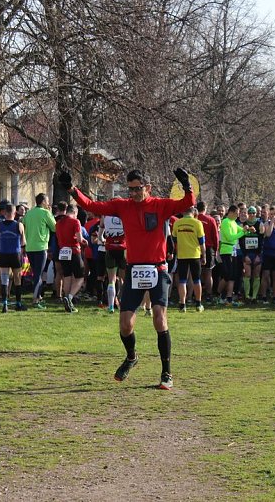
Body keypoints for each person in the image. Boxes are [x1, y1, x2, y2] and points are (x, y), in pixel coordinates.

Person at [64, 167, 195, 391]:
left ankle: (166, 373)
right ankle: (132, 357)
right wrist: (71, 189)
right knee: (125, 325)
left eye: (137, 189)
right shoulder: (122, 206)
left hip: (158, 268)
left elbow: (186, 203)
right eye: (130, 189)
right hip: (134, 270)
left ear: (148, 188)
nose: (133, 193)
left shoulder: (160, 205)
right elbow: (92, 206)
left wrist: (186, 184)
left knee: (159, 319)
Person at [22, 193, 57, 308]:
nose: (48, 204)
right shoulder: (45, 213)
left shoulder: (29, 213)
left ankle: (38, 297)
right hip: (41, 247)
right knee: (38, 274)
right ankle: (35, 299)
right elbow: (55, 227)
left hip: (30, 247)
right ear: (43, 202)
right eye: (47, 201)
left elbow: (23, 226)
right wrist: (50, 213)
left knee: (37, 273)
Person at [171, 207, 206, 312]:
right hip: (195, 255)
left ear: (182, 212)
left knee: (182, 280)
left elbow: (174, 239)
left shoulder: (177, 223)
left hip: (182, 255)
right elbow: (202, 242)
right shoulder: (197, 223)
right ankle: (198, 304)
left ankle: (182, 304)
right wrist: (204, 256)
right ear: (193, 212)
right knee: (196, 279)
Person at [0, 203, 27, 313]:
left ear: (5, 213)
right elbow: (23, 242)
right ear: (14, 213)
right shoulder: (19, 225)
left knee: (4, 279)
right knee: (17, 279)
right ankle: (18, 303)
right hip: (15, 254)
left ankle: (5, 304)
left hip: (3, 253)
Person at [55, 204, 87, 313]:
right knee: (80, 276)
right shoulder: (75, 221)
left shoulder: (58, 223)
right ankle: (69, 297)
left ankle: (67, 300)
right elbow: (79, 239)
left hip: (63, 251)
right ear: (74, 212)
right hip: (73, 251)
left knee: (67, 276)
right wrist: (84, 242)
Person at [218, 205, 247, 307]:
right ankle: (219, 294)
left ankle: (228, 298)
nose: (238, 215)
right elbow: (230, 237)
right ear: (231, 212)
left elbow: (241, 230)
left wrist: (247, 229)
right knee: (228, 275)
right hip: (226, 250)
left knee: (232, 275)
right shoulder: (226, 222)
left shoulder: (233, 222)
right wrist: (243, 232)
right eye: (236, 213)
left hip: (233, 250)